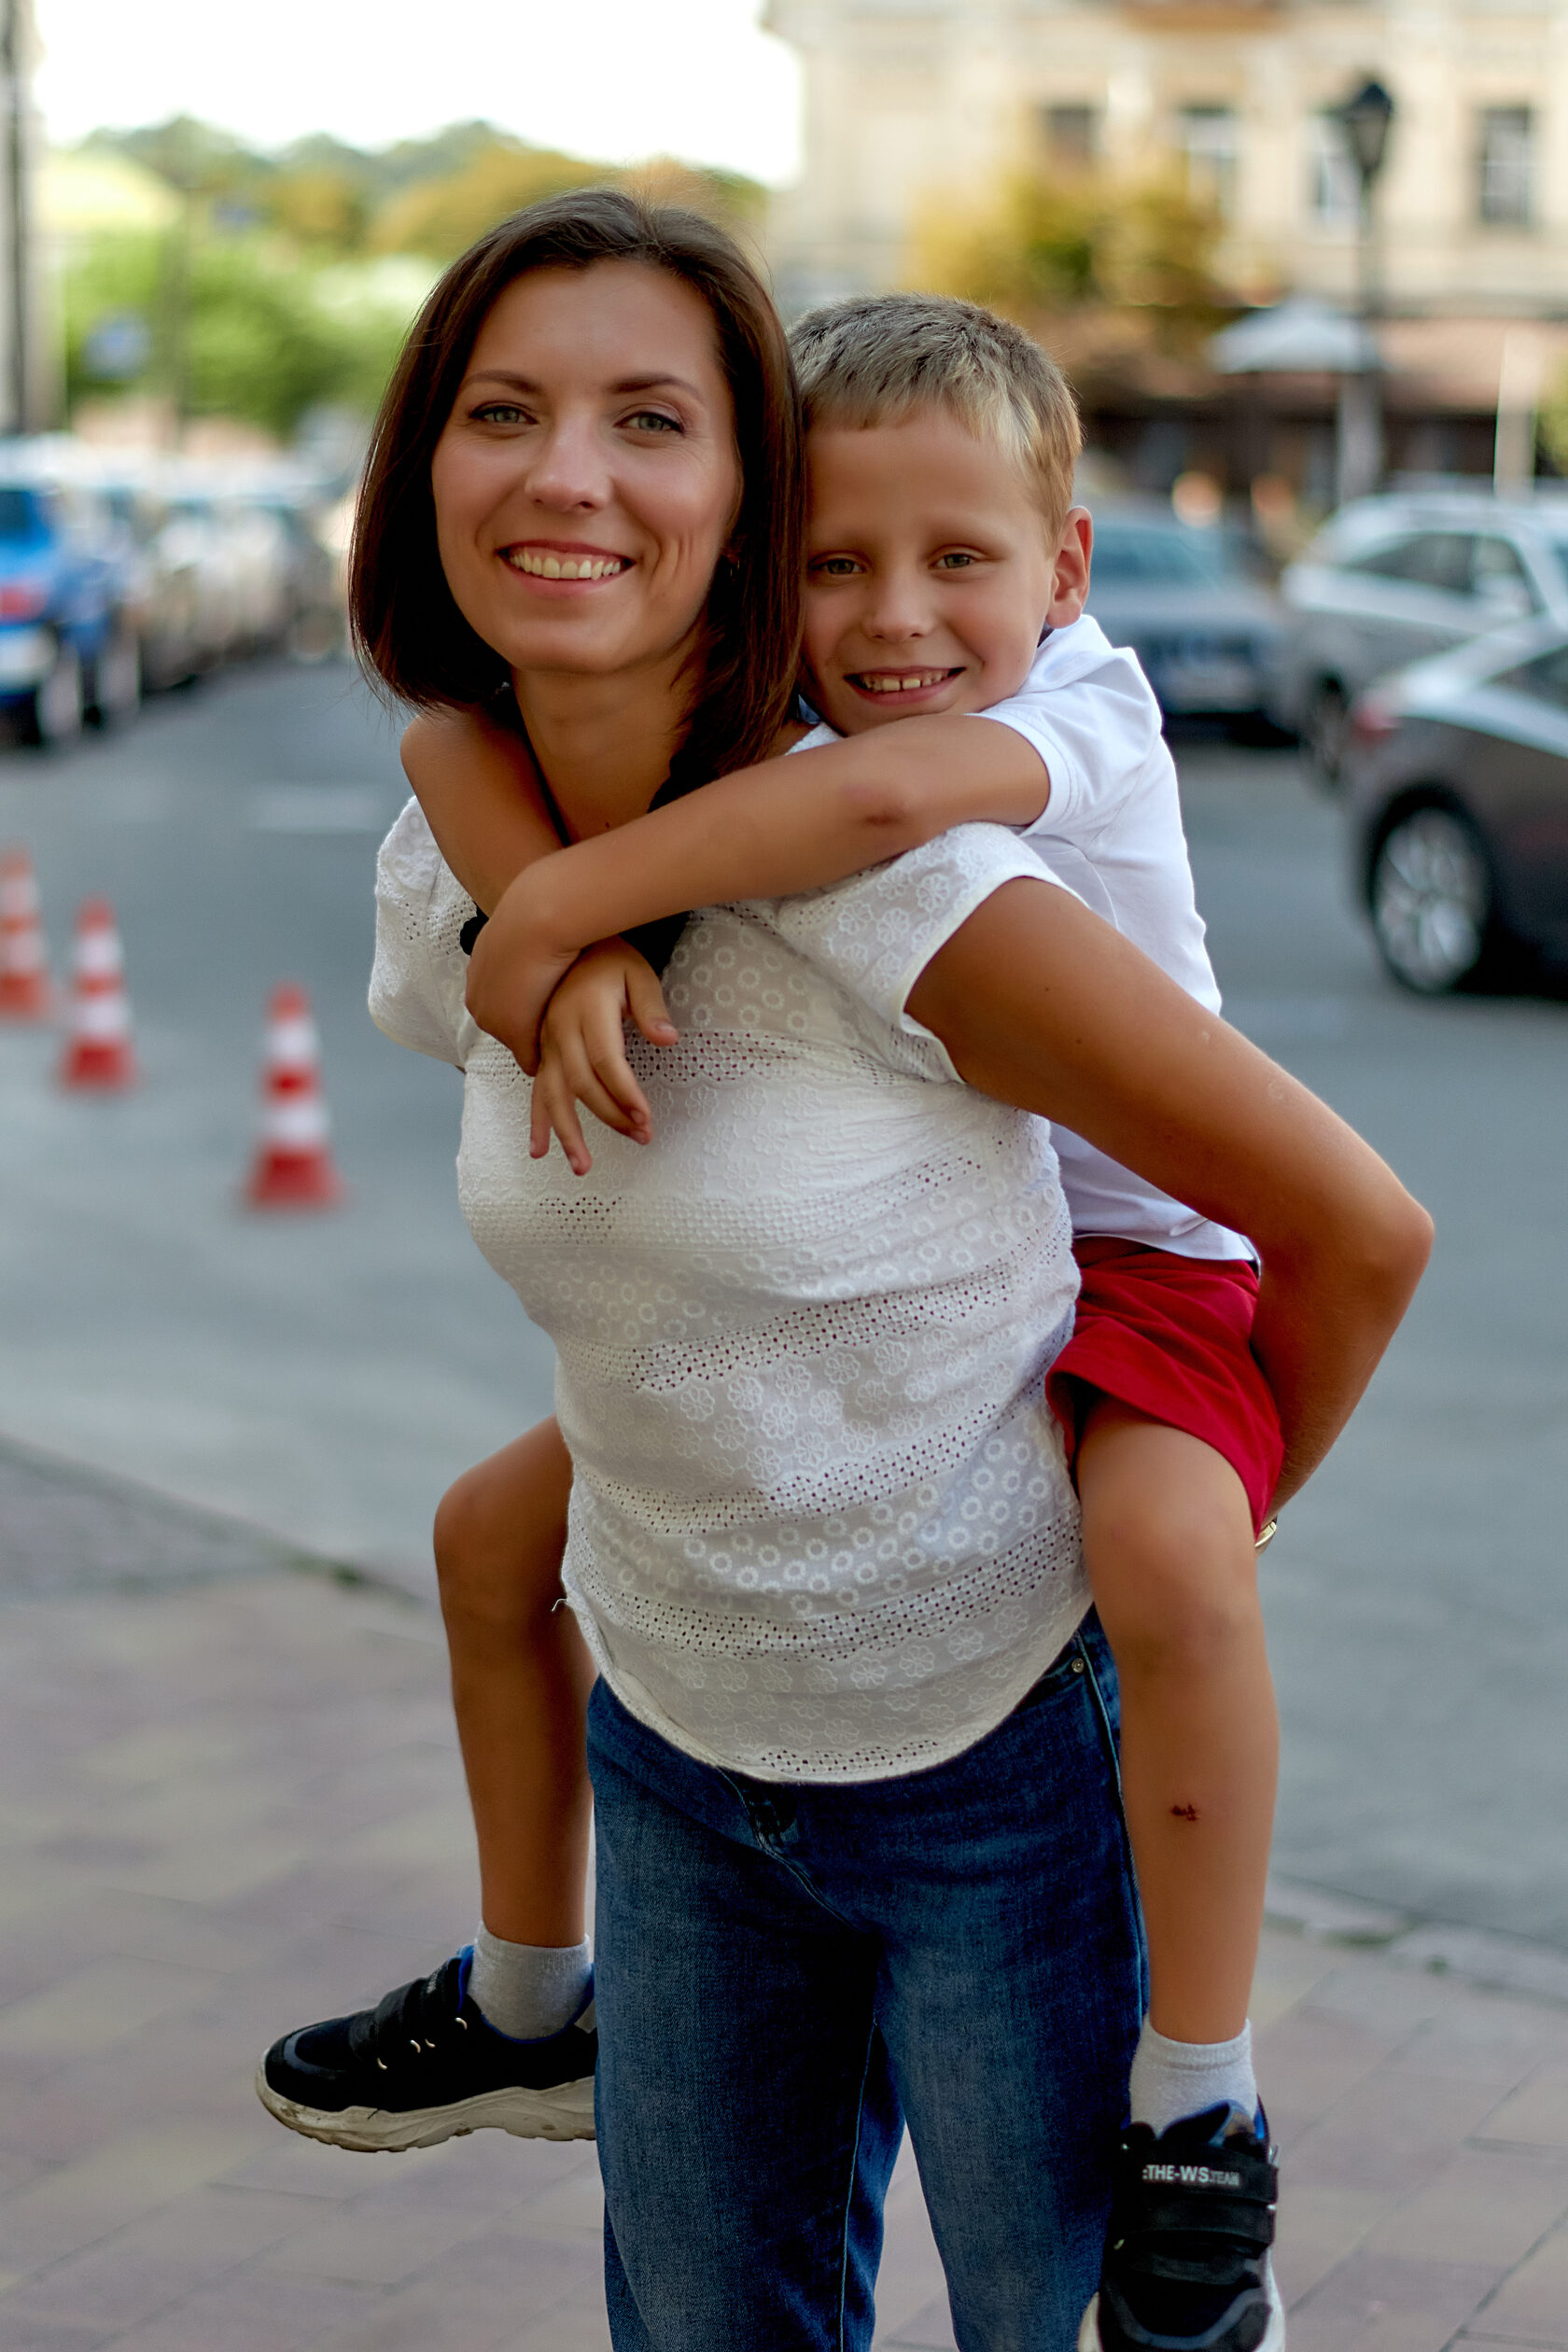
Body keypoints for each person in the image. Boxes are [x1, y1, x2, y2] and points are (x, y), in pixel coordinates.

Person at [258, 194, 1431, 2352]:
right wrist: (549, 915)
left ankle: (1206, 2110)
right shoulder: (468, 843)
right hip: (682, 1732)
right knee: (488, 1537)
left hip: (1034, 1600)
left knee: (1071, 2314)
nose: (571, 473)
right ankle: (528, 1994)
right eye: (504, 413)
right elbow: (453, 753)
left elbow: (1351, 1224)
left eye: (648, 421)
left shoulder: (950, 822)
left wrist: (1224, 1475)